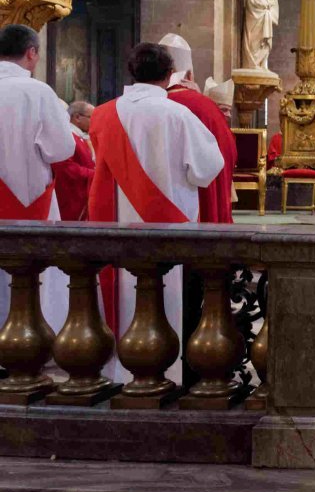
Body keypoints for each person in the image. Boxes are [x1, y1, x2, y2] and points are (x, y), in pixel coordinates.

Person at [88, 43, 225, 384]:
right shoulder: (178, 115)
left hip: (116, 226)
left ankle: (119, 372)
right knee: (168, 298)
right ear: (169, 76)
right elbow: (207, 169)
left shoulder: (103, 114)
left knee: (123, 292)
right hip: (169, 225)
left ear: (132, 72)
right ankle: (168, 373)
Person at [0, 25, 74, 335]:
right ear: (31, 53)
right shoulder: (38, 92)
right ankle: (29, 338)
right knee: (33, 272)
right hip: (30, 197)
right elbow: (61, 149)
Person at [158, 34, 237, 224]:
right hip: (196, 193)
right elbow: (228, 152)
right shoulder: (205, 106)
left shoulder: (142, 105)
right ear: (189, 75)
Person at [52, 100, 96, 222]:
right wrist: (93, 174)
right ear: (77, 117)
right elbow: (65, 167)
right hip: (71, 196)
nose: (94, 121)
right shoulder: (67, 136)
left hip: (81, 193)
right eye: (91, 117)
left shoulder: (79, 136)